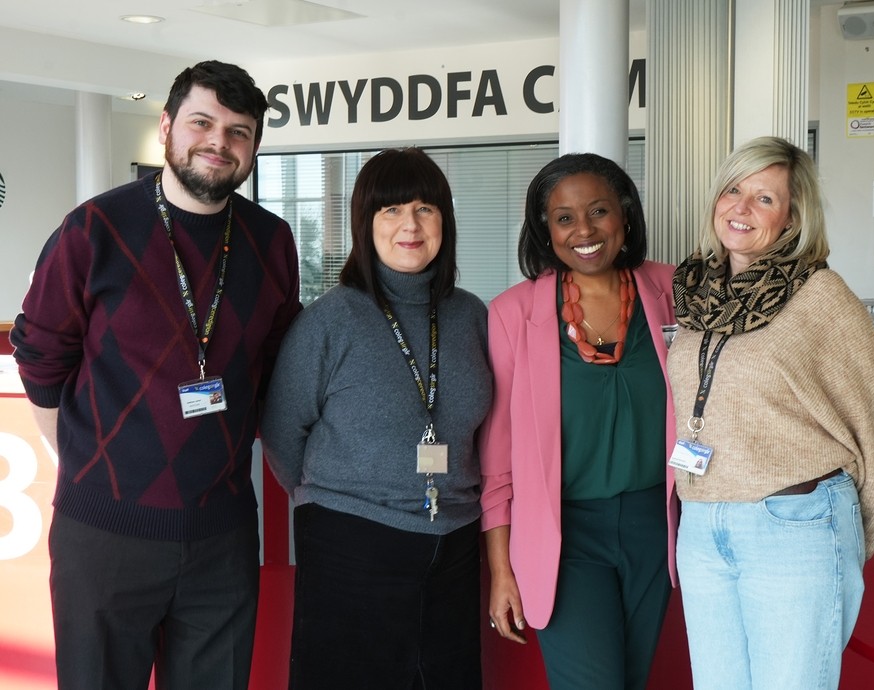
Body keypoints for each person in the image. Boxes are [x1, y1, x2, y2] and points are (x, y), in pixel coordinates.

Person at [9, 60, 302, 689]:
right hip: (104, 535)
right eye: (202, 122)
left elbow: (278, 362)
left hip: (222, 536)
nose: (218, 143)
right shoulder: (95, 229)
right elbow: (38, 356)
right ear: (167, 126)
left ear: (253, 147)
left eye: (239, 132)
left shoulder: (271, 241)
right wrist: (87, 461)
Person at [260, 147, 492, 689]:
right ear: (364, 224)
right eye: (390, 211)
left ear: (445, 221)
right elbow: (281, 432)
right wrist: (340, 496)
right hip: (351, 543)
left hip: (454, 542)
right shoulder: (329, 321)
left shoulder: (471, 316)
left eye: (425, 209)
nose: (409, 225)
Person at [667, 136, 874, 690]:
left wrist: (852, 535)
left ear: (793, 218)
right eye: (733, 190)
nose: (741, 208)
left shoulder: (821, 296)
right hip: (702, 522)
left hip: (792, 522)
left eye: (764, 199)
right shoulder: (696, 294)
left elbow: (873, 423)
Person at [479, 152, 678, 689]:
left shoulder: (673, 291)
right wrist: (502, 571)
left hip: (655, 526)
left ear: (626, 216)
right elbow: (497, 461)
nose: (584, 231)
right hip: (564, 535)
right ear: (545, 230)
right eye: (564, 218)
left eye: (599, 212)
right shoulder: (512, 313)